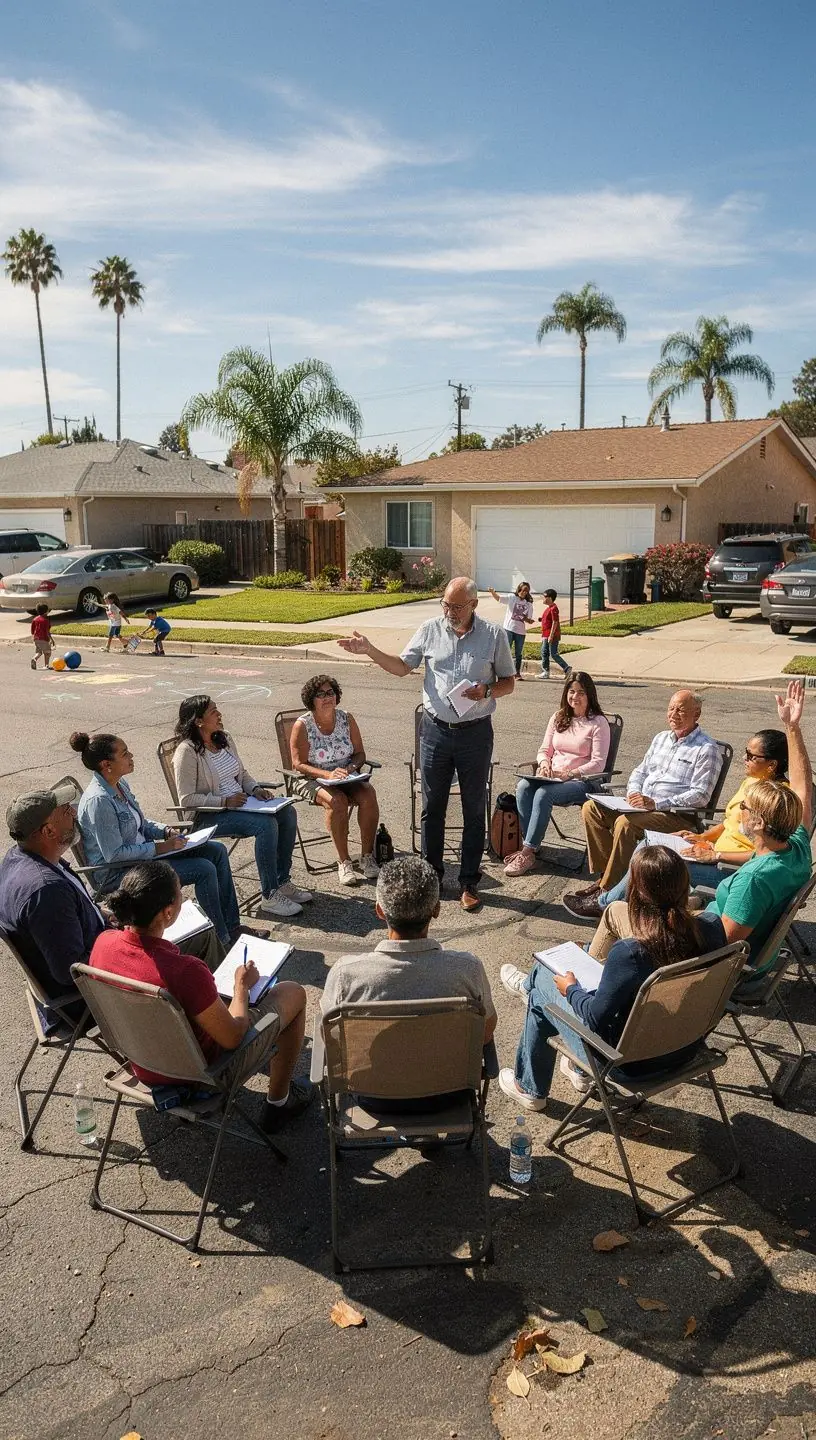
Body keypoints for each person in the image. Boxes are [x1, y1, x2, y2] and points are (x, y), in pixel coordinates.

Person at [498, 845, 728, 1110]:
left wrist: (571, 989)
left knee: (542, 992)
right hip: (686, 1047)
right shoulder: (711, 927)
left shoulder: (631, 952)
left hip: (628, 1064)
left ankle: (530, 1088)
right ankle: (578, 1070)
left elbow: (595, 1018)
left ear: (638, 892)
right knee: (556, 986)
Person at [338, 577, 516, 912]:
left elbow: (509, 682)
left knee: (474, 808)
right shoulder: (430, 629)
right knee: (431, 807)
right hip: (434, 731)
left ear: (474, 605)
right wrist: (370, 650)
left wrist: (487, 691)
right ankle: (431, 881)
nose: (450, 612)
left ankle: (468, 883)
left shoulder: (494, 635)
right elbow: (402, 667)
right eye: (446, 604)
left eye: (457, 606)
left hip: (475, 733)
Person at [91, 862, 313, 1130]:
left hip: (142, 1061)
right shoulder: (185, 971)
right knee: (294, 993)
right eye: (180, 892)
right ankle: (279, 1103)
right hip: (200, 1074)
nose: (184, 896)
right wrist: (241, 987)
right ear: (168, 912)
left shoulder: (103, 943)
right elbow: (232, 1037)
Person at [0, 786, 221, 1032]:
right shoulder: (46, 891)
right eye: (65, 811)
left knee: (172, 928)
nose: (74, 813)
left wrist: (106, 915)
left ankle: (206, 1017)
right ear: (48, 830)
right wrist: (127, 942)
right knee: (202, 936)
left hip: (96, 959)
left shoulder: (19, 859)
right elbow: (71, 972)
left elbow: (69, 925)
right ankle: (218, 1028)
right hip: (87, 1000)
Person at [321, 856, 496, 1109]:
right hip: (450, 1095)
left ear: (380, 911)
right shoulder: (467, 969)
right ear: (436, 909)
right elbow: (486, 1032)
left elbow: (332, 1044)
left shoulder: (345, 975)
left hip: (374, 1097)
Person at [70, 730, 247, 949]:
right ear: (107, 765)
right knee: (203, 869)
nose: (131, 756)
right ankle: (221, 940)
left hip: (143, 858)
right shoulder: (99, 801)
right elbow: (114, 854)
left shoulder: (119, 784)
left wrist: (165, 832)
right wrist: (159, 848)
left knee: (216, 851)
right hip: (119, 872)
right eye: (125, 754)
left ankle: (231, 926)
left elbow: (140, 823)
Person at [563, 690, 722, 918]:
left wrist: (657, 803)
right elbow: (640, 771)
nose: (673, 714)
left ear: (696, 714)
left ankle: (606, 892)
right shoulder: (661, 739)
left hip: (675, 814)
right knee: (592, 809)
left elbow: (700, 796)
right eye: (671, 708)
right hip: (642, 806)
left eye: (681, 710)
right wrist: (635, 792)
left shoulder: (706, 749)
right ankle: (608, 877)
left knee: (626, 824)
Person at [596, 726, 790, 908]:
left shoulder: (775, 799)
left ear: (772, 764)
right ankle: (616, 902)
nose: (744, 758)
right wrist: (703, 837)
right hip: (711, 853)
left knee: (657, 862)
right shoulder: (751, 781)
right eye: (745, 752)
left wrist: (716, 855)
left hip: (729, 869)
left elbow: (767, 855)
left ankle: (608, 904)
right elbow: (729, 823)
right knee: (647, 846)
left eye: (751, 756)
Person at [703, 680, 813, 980]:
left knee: (621, 924)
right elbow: (803, 789)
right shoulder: (796, 846)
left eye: (746, 808)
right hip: (742, 941)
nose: (740, 810)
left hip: (727, 968)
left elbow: (722, 946)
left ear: (759, 823)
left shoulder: (754, 880)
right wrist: (792, 727)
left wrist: (674, 922)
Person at [173, 695, 311, 918]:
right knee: (265, 825)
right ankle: (270, 894)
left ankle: (282, 880)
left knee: (287, 812)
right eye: (213, 712)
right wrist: (224, 801)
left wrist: (255, 789)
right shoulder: (187, 751)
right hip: (210, 814)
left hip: (242, 805)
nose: (219, 714)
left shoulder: (224, 739)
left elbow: (241, 774)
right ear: (198, 721)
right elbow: (187, 799)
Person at [504, 673, 611, 876]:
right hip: (552, 776)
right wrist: (544, 764)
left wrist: (569, 774)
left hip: (583, 782)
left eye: (581, 692)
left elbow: (598, 764)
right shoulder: (559, 717)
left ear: (590, 695)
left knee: (544, 793)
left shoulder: (598, 723)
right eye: (571, 691)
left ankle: (526, 852)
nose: (575, 697)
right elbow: (544, 750)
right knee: (523, 787)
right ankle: (531, 844)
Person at [289, 674, 380, 886]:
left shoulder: (346, 719)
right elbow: (298, 764)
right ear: (311, 700)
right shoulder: (302, 725)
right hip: (311, 778)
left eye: (330, 692)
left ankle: (366, 856)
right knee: (337, 801)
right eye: (320, 694)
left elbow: (360, 754)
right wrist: (327, 775)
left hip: (344, 775)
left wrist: (349, 768)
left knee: (368, 793)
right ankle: (344, 862)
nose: (326, 697)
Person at [487, 581, 534, 678]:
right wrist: (493, 592)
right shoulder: (512, 598)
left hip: (520, 631)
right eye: (523, 590)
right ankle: (503, 672)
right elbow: (499, 599)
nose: (524, 592)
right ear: (519, 589)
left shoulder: (528, 604)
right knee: (506, 650)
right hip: (509, 629)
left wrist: (528, 620)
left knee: (518, 653)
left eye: (526, 591)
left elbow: (528, 619)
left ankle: (517, 673)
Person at [535, 589, 570, 680]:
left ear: (550, 598)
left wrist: (551, 635)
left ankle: (566, 668)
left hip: (550, 635)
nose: (543, 598)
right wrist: (541, 619)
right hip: (545, 634)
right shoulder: (549, 608)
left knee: (552, 654)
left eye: (545, 596)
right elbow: (549, 620)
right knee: (545, 653)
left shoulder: (554, 608)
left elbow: (555, 622)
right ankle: (546, 671)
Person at [30, 604, 52, 670]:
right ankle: (46, 665)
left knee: (39, 652)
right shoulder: (46, 621)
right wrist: (50, 639)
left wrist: (33, 636)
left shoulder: (35, 619)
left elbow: (32, 630)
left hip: (36, 638)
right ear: (46, 612)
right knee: (47, 652)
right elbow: (47, 631)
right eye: (48, 611)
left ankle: (34, 658)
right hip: (44, 639)